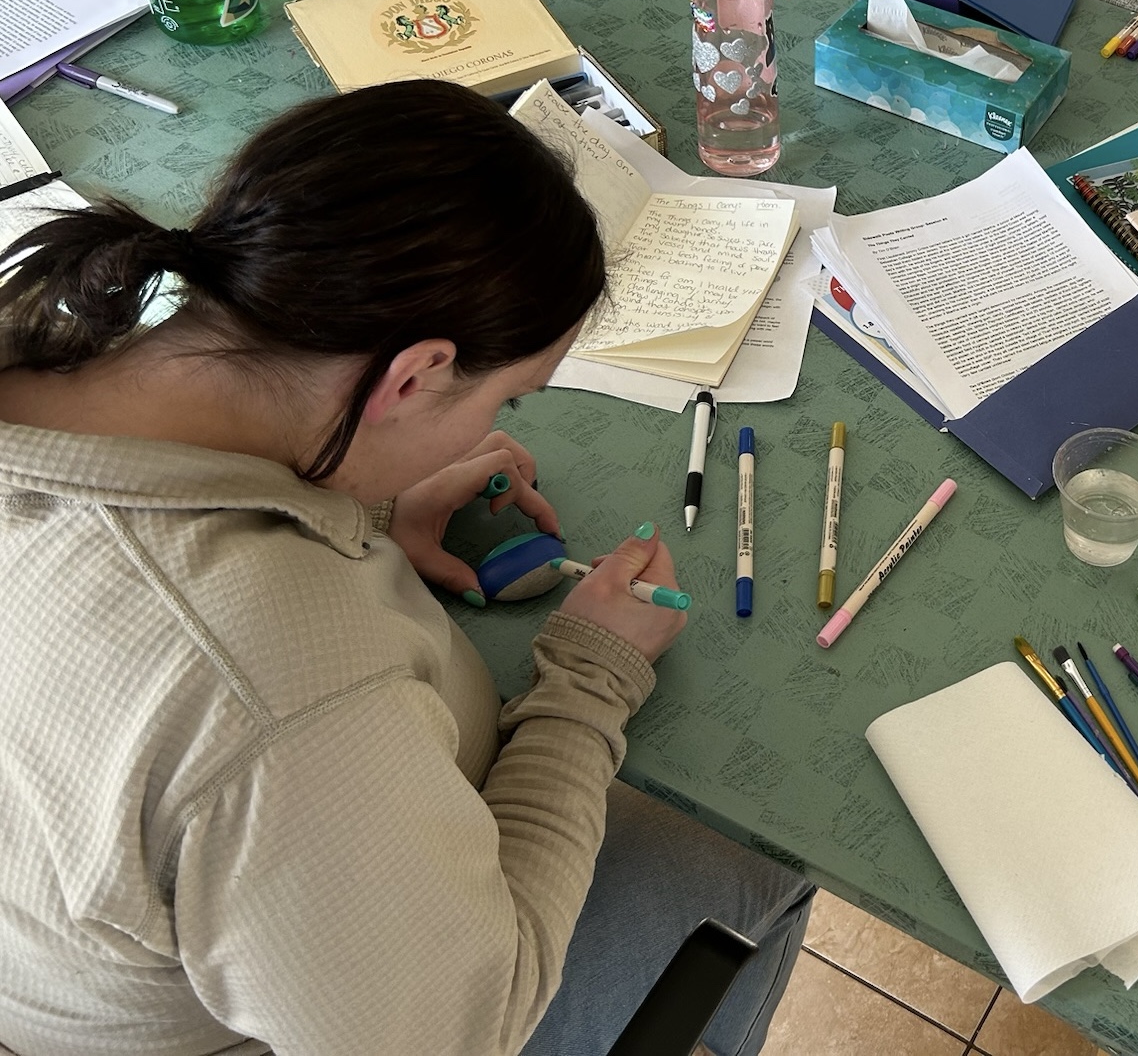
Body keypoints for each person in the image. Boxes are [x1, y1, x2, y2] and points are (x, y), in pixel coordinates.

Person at [0, 80, 813, 1056]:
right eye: (508, 398)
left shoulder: (47, 354)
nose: (496, 428)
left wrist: (364, 496)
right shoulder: (274, 693)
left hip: (65, 964)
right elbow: (460, 1031)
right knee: (746, 872)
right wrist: (587, 686)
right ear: (416, 374)